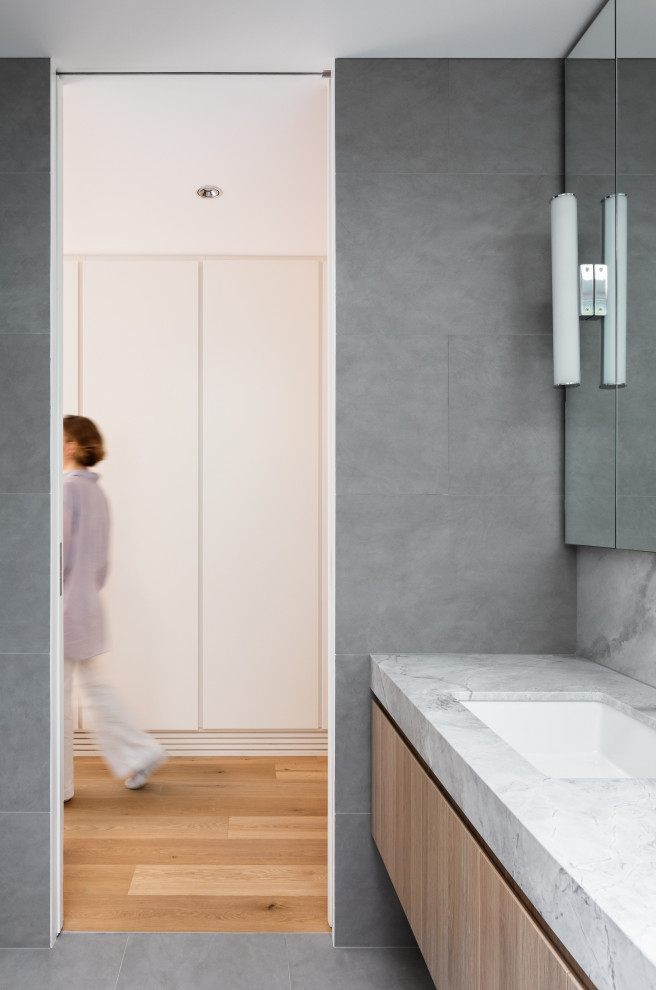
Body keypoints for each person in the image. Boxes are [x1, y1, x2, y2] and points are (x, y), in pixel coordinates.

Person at [62, 414, 166, 801]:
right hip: (89, 605)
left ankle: (60, 785)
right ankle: (141, 754)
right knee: (96, 688)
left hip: (64, 606)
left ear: (71, 445)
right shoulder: (98, 493)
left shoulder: (67, 490)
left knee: (58, 696)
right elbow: (102, 564)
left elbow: (59, 554)